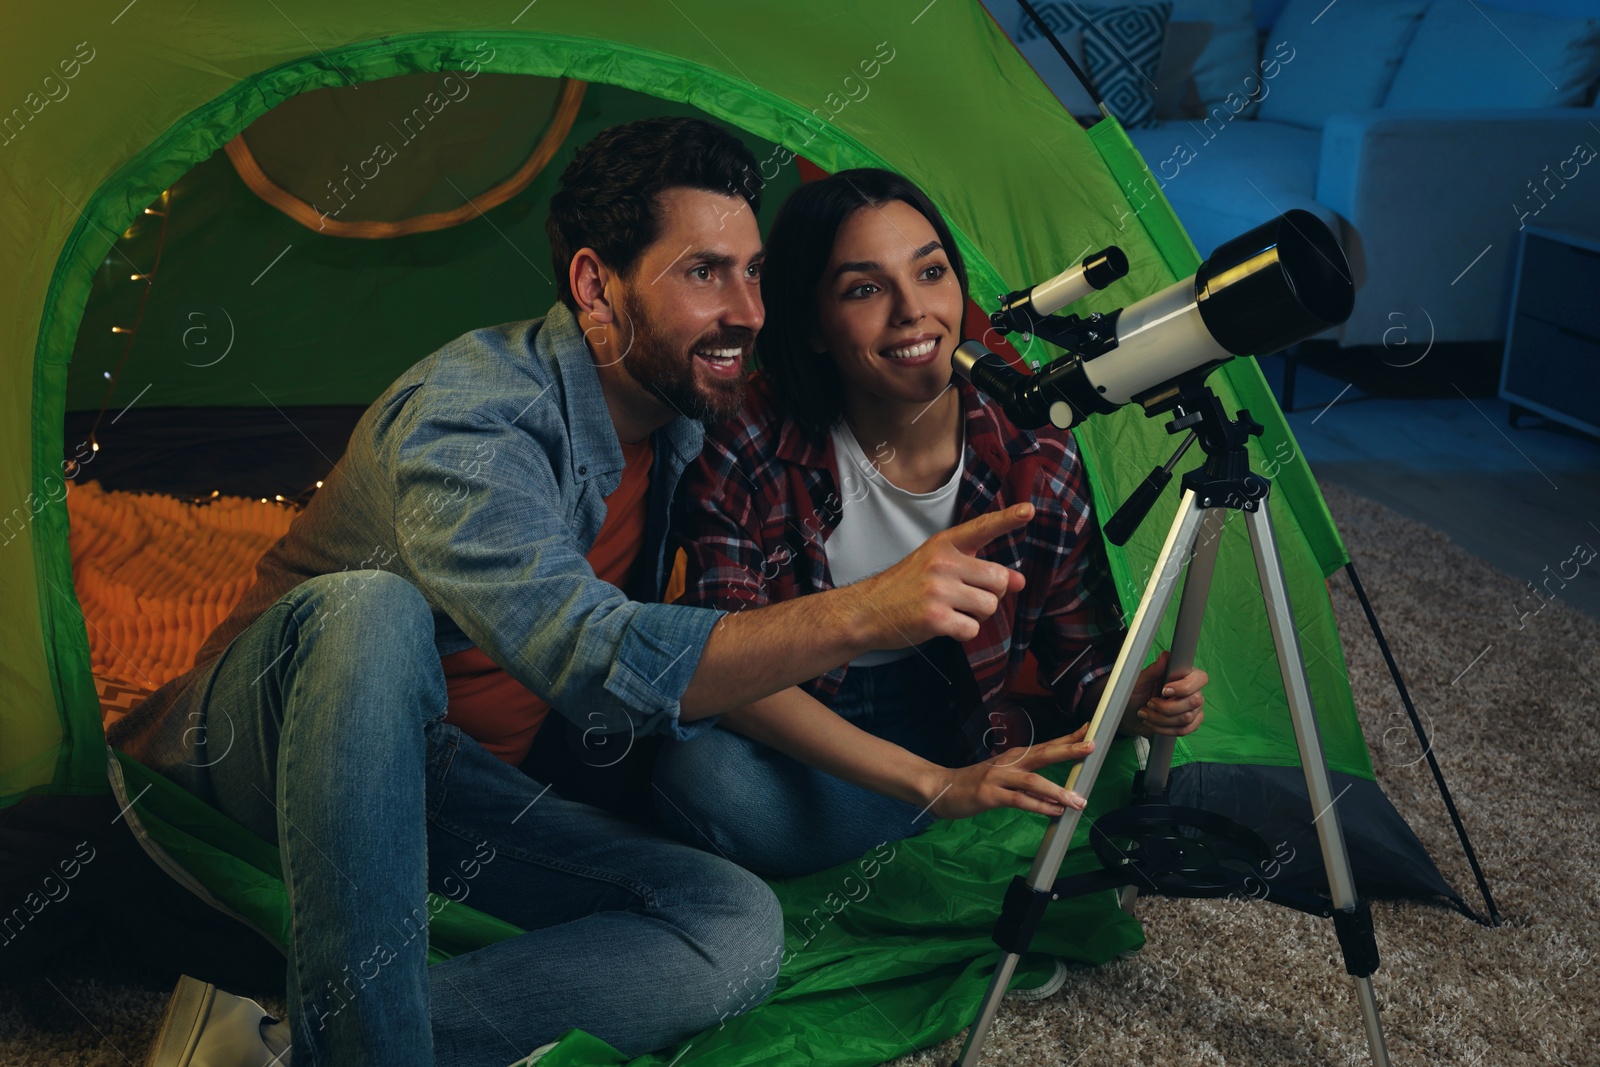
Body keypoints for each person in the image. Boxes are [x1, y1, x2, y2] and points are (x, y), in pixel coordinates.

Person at [112, 123, 1049, 1067]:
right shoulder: (472, 415)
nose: (747, 310)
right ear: (597, 287)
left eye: (756, 273)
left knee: (731, 921)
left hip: (451, 784)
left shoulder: (687, 420)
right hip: (264, 756)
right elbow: (593, 659)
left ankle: (285, 1043)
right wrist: (866, 610)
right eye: (703, 274)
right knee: (370, 608)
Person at [653, 168, 1209, 879]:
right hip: (793, 711)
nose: (914, 311)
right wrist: (935, 785)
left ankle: (930, 817)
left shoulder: (1032, 446)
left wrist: (1136, 699)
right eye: (865, 288)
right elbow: (720, 665)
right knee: (695, 775)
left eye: (932, 272)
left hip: (952, 707)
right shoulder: (744, 437)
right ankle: (950, 825)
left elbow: (1078, 655)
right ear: (813, 324)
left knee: (1092, 759)